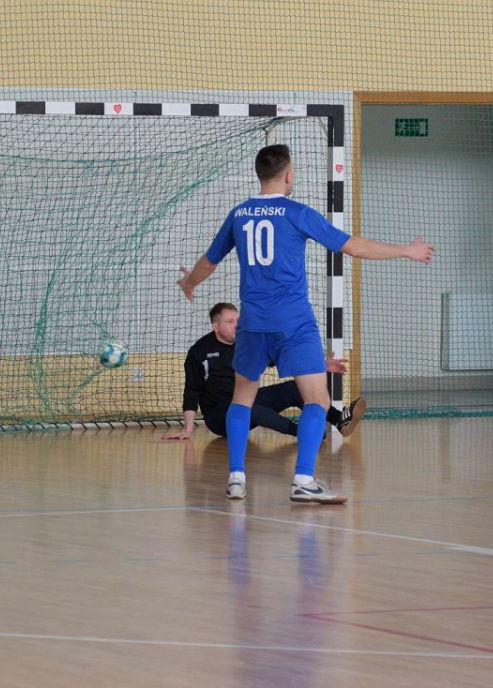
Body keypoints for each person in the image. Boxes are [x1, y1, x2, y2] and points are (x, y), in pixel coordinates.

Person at [177, 144, 433, 504]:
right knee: (317, 399)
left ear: (259, 174)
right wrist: (405, 250)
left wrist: (189, 283)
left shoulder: (239, 214)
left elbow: (209, 261)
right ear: (288, 174)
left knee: (242, 398)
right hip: (294, 323)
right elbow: (352, 245)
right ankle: (303, 479)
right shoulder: (296, 213)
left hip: (253, 324)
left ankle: (236, 479)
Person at [161, 302, 365, 441]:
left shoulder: (248, 343)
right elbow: (192, 391)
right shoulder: (199, 351)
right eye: (230, 322)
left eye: (238, 321)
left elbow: (283, 358)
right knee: (248, 409)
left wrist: (319, 365)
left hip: (246, 398)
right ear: (216, 326)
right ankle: (303, 433)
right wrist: (188, 429)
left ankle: (339, 420)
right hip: (219, 416)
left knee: (294, 388)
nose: (237, 326)